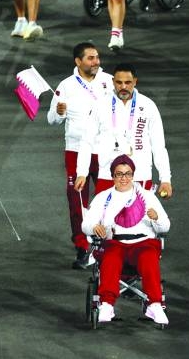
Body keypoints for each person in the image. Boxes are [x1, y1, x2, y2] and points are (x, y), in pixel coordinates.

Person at [81, 155, 170, 326]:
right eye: (119, 174)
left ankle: (155, 305)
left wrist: (156, 218)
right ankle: (107, 304)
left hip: (143, 243)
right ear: (113, 176)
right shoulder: (103, 197)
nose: (124, 178)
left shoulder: (147, 196)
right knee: (111, 257)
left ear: (133, 175)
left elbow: (165, 227)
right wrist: (94, 227)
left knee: (148, 257)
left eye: (127, 174)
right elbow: (86, 224)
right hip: (115, 243)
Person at [47, 42, 112, 269]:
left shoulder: (110, 82)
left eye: (97, 58)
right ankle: (83, 247)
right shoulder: (65, 86)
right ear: (78, 61)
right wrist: (58, 111)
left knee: (107, 200)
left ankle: (107, 248)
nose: (96, 62)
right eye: (91, 58)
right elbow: (51, 120)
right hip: (75, 150)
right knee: (77, 202)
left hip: (104, 150)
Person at [75, 63, 171, 195]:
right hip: (108, 175)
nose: (123, 87)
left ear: (135, 82)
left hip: (139, 176)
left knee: (139, 216)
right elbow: (86, 141)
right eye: (119, 82)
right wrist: (81, 173)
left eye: (128, 82)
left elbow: (158, 145)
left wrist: (165, 178)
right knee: (106, 216)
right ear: (113, 82)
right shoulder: (100, 105)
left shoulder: (148, 106)